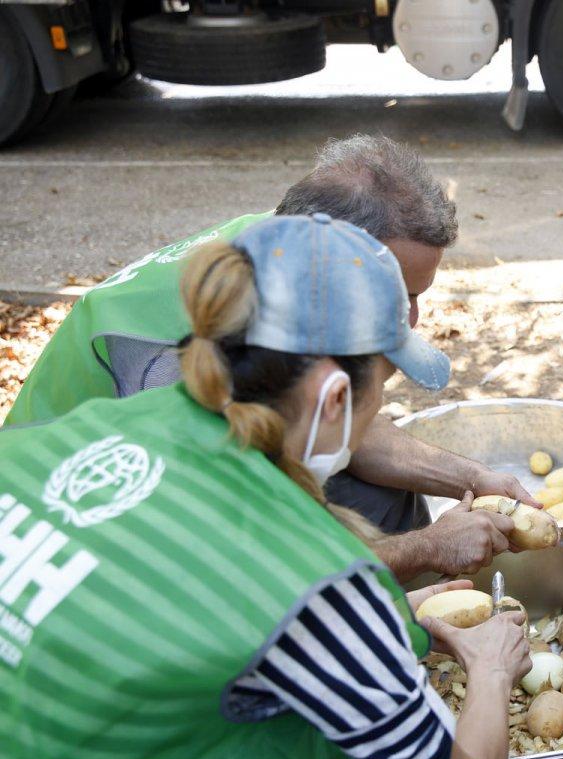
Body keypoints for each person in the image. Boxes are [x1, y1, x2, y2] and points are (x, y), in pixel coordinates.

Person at [0, 215, 529, 759]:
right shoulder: (317, 583)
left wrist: (391, 613)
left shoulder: (89, 427)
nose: (379, 409)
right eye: (383, 388)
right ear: (333, 399)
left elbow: (179, 595)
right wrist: (490, 672)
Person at [5, 134, 533, 581]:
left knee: (379, 496)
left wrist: (472, 479)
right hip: (78, 535)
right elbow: (239, 567)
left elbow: (341, 418)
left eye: (420, 296)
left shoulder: (286, 244)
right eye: (399, 292)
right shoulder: (180, 358)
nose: (412, 318)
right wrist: (427, 547)